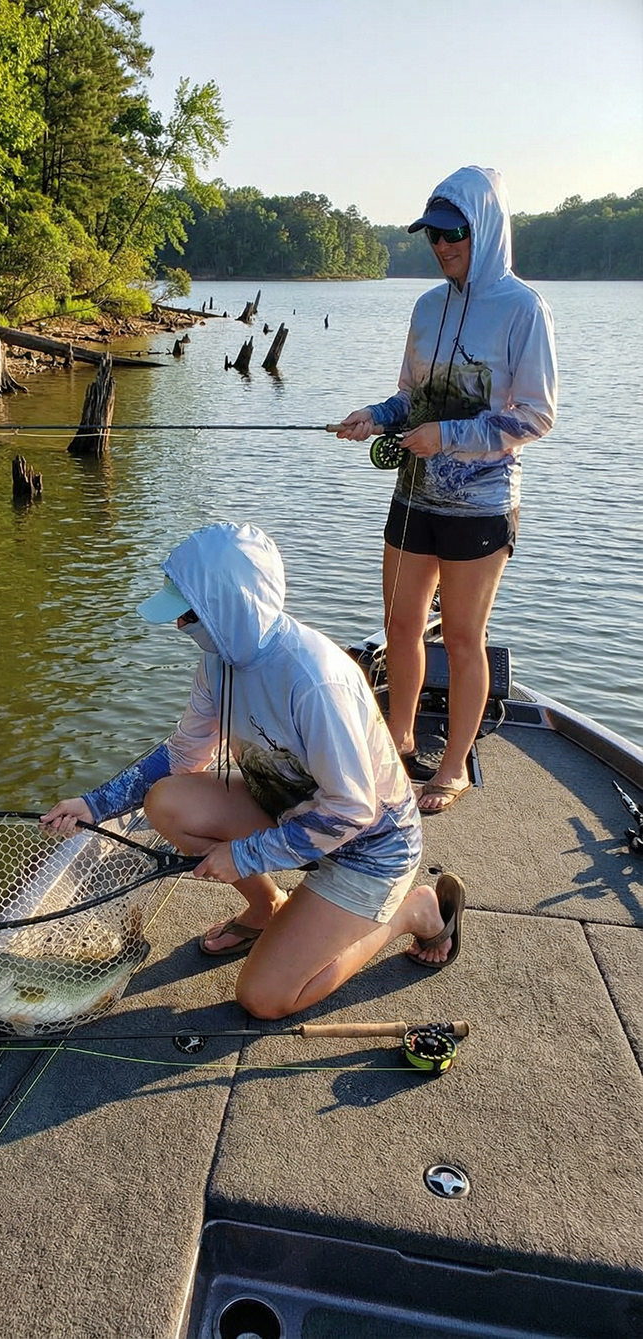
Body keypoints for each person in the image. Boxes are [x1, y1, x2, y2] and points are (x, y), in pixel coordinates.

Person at [41, 522, 465, 1020]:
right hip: (289, 814)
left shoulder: (315, 681)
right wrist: (93, 804)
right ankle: (269, 908)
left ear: (230, 607)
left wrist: (244, 856)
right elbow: (181, 756)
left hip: (369, 848)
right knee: (167, 800)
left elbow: (351, 810)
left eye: (190, 615)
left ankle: (409, 912)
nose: (180, 627)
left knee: (264, 999)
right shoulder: (219, 661)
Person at [336, 166, 557, 813]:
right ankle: (399, 742)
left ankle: (453, 766)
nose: (441, 245)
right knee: (400, 625)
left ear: (483, 228)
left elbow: (537, 417)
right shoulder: (426, 306)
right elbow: (409, 398)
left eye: (452, 232)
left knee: (461, 637)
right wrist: (376, 416)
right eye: (431, 234)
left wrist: (449, 436)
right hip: (412, 495)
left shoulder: (523, 308)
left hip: (481, 505)